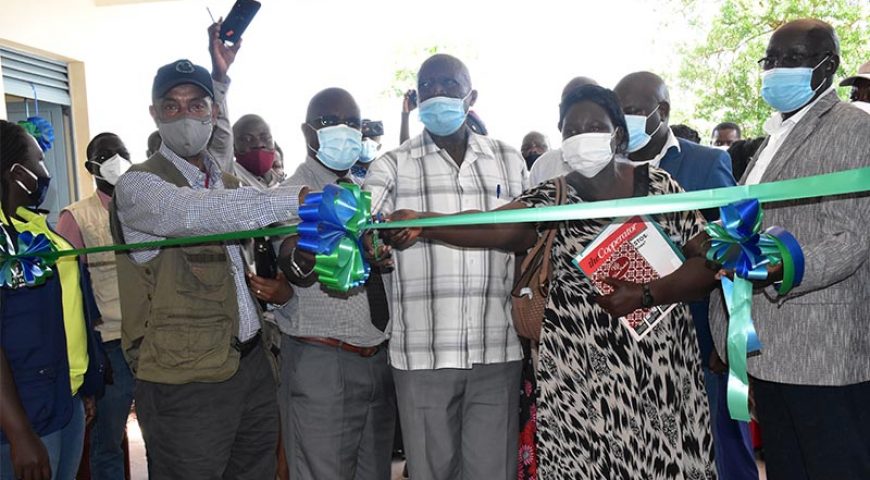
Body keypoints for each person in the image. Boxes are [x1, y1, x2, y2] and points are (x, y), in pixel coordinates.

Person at [383, 84, 719, 478]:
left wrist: (647, 293)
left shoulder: (660, 188)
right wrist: (427, 225)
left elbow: (710, 265)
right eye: (572, 130)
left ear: (617, 133)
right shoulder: (553, 196)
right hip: (578, 378)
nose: (583, 135)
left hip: (659, 371)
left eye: (595, 125)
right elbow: (496, 228)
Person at [110, 53, 307, 478]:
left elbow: (226, 190)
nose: (185, 116)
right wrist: (297, 198)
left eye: (196, 105)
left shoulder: (223, 178)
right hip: (185, 382)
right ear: (154, 114)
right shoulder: (139, 185)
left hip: (250, 365)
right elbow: (193, 213)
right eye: (172, 106)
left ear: (212, 112)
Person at [709, 19, 870, 480]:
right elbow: (745, 220)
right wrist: (719, 248)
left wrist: (780, 263)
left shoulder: (854, 129)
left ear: (827, 67)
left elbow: (852, 238)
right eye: (771, 60)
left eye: (792, 60)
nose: (777, 70)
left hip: (826, 354)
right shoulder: (772, 137)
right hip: (770, 348)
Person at [365, 54, 528, 480]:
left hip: (497, 348)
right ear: (417, 99)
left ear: (470, 96)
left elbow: (530, 236)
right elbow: (367, 228)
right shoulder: (391, 165)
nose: (437, 94)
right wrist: (377, 241)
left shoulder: (509, 160)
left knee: (494, 472)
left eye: (448, 85)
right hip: (424, 353)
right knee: (431, 472)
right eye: (427, 87)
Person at [614, 71, 751, 480]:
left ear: (664, 111)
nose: (624, 121)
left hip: (696, 334)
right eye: (617, 112)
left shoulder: (706, 163)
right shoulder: (605, 171)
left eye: (634, 111)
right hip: (630, 336)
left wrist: (726, 337)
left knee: (719, 448)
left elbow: (733, 249)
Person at [273, 88, 396, 480]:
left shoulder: (367, 191)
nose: (343, 132)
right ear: (307, 132)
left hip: (376, 357)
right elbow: (294, 265)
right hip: (323, 360)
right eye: (329, 123)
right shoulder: (289, 196)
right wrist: (317, 235)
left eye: (352, 125)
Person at [1, 120, 104, 480]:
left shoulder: (35, 225)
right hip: (21, 417)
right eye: (39, 161)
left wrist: (84, 385)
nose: (46, 172)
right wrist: (18, 434)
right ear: (17, 172)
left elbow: (71, 310)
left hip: (63, 398)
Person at [56, 132, 135, 479]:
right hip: (110, 344)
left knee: (164, 433)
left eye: (121, 151)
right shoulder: (76, 217)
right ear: (91, 166)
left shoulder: (143, 209)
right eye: (106, 154)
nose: (116, 158)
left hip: (151, 339)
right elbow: (70, 293)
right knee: (108, 443)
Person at [528, 76, 599, 185]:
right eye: (570, 102)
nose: (580, 107)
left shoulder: (622, 165)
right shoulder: (543, 165)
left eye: (588, 98)